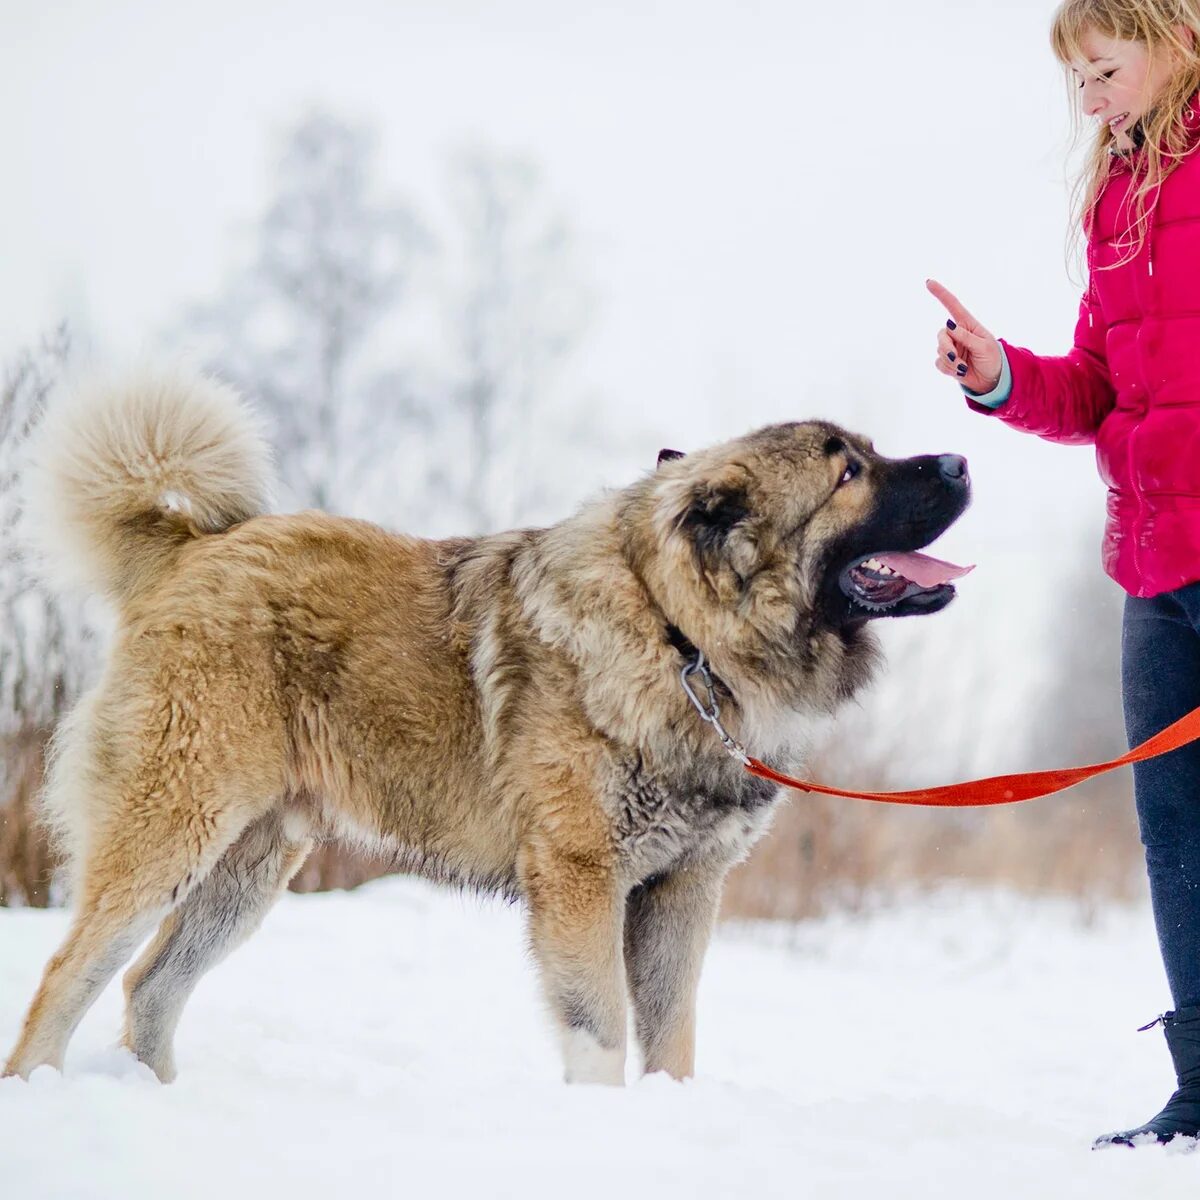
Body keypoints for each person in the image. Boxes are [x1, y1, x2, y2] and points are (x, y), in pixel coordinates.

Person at [927, 0, 1200, 1149]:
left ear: (1174, 37)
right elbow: (1094, 388)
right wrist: (998, 376)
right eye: (1076, 80)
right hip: (1152, 566)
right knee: (1176, 834)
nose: (1088, 98)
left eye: (1104, 69)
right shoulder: (1117, 196)